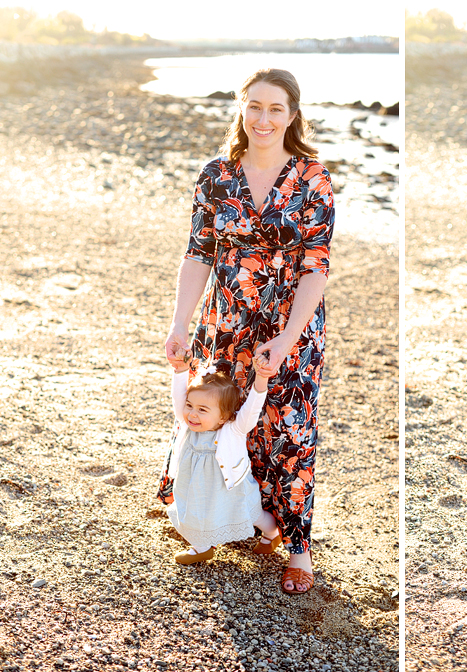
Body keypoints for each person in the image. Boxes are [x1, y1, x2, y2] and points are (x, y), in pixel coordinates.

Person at [161, 68, 335, 593]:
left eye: (275, 109)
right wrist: (179, 323)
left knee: (290, 430)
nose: (263, 118)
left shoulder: (312, 178)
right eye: (254, 106)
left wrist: (287, 339)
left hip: (291, 324)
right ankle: (231, 516)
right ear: (241, 108)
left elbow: (315, 267)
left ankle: (298, 547)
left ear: (292, 114)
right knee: (225, 419)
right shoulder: (216, 174)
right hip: (226, 321)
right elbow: (198, 254)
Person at [165, 352, 280, 565]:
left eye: (202, 410)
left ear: (224, 416)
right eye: (190, 406)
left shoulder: (233, 429)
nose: (192, 414)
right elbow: (178, 398)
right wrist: (181, 370)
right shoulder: (187, 423)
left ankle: (272, 533)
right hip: (197, 487)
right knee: (196, 511)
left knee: (251, 514)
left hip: (229, 488)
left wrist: (261, 379)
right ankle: (201, 547)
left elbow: (252, 409)